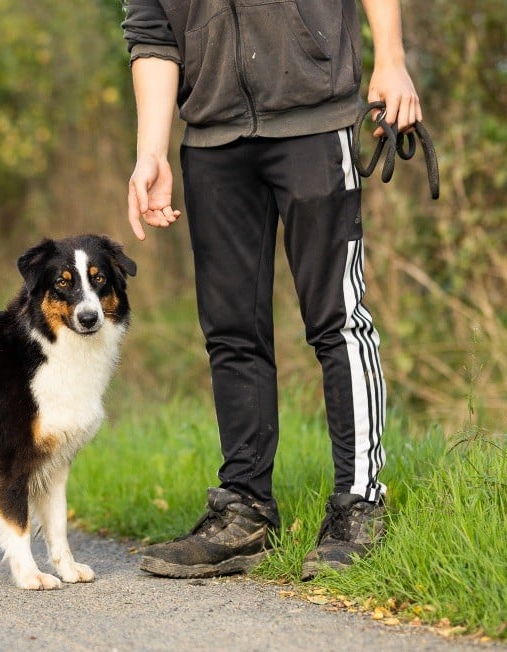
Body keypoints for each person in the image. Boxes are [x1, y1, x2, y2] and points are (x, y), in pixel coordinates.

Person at [121, 0, 422, 580]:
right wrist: (151, 151)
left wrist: (391, 57)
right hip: (211, 139)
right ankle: (246, 513)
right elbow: (152, 33)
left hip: (314, 120)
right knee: (231, 330)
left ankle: (360, 504)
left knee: (338, 318)